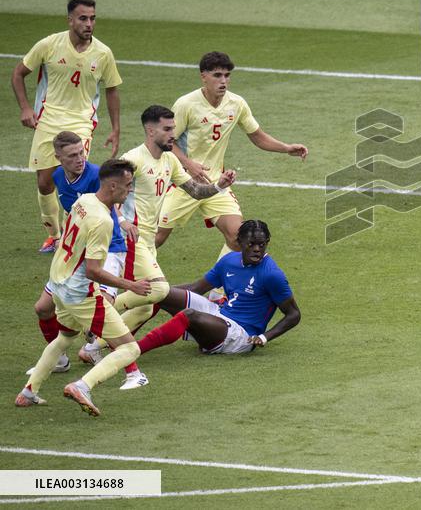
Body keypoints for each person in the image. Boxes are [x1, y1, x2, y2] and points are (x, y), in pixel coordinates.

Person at [78, 105, 236, 389]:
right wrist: (123, 220)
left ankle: (93, 347)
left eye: (173, 129)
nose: (172, 134)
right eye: (167, 129)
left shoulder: (170, 161)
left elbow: (196, 191)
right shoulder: (132, 160)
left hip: (148, 242)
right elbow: (105, 195)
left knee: (148, 304)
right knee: (160, 290)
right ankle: (101, 310)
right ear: (150, 131)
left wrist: (220, 186)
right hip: (129, 240)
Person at [15, 159, 151, 416]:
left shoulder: (83, 200)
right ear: (112, 186)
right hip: (80, 294)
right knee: (129, 347)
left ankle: (29, 392)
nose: (129, 190)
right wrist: (130, 284)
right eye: (127, 185)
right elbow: (94, 270)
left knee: (65, 337)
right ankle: (82, 385)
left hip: (58, 284)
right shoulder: (103, 221)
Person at [155, 52, 308, 258]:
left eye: (227, 75)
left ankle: (218, 289)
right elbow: (166, 141)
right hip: (183, 183)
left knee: (240, 239)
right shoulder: (186, 104)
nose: (224, 81)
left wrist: (286, 148)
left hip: (217, 182)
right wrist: (188, 163)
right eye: (217, 75)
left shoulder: (236, 104)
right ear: (203, 76)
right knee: (155, 239)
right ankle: (112, 276)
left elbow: (257, 136)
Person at [10, 0, 123, 253]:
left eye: (93, 18)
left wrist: (115, 128)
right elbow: (18, 73)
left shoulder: (103, 53)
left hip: (81, 122)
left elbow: (112, 90)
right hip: (48, 120)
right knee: (44, 183)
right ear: (70, 20)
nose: (89, 23)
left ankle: (80, 234)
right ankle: (54, 235)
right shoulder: (49, 44)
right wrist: (26, 108)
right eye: (83, 18)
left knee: (76, 178)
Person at [25, 131, 138, 376]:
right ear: (58, 158)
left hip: (109, 248)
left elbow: (113, 199)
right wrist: (62, 239)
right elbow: (73, 213)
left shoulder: (96, 175)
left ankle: (128, 367)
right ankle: (60, 359)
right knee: (43, 308)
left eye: (81, 152)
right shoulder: (58, 177)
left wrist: (123, 219)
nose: (80, 159)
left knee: (101, 310)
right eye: (72, 155)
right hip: (77, 254)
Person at [136, 220, 300, 356]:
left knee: (189, 315)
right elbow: (196, 288)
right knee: (160, 291)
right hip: (220, 314)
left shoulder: (272, 274)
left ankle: (135, 350)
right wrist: (158, 290)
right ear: (239, 242)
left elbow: (294, 314)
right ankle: (125, 337)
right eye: (251, 244)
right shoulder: (229, 261)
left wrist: (264, 337)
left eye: (262, 244)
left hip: (240, 335)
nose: (257, 249)